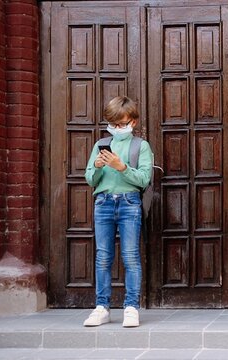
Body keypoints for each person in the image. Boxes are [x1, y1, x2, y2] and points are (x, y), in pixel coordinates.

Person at [83, 96, 153, 328]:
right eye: (113, 124)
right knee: (103, 257)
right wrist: (98, 166)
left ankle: (131, 307)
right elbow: (90, 179)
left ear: (133, 122)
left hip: (129, 203)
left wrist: (121, 167)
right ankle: (102, 307)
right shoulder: (101, 144)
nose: (117, 128)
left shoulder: (140, 146)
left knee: (130, 256)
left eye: (122, 124)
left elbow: (144, 179)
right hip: (103, 203)